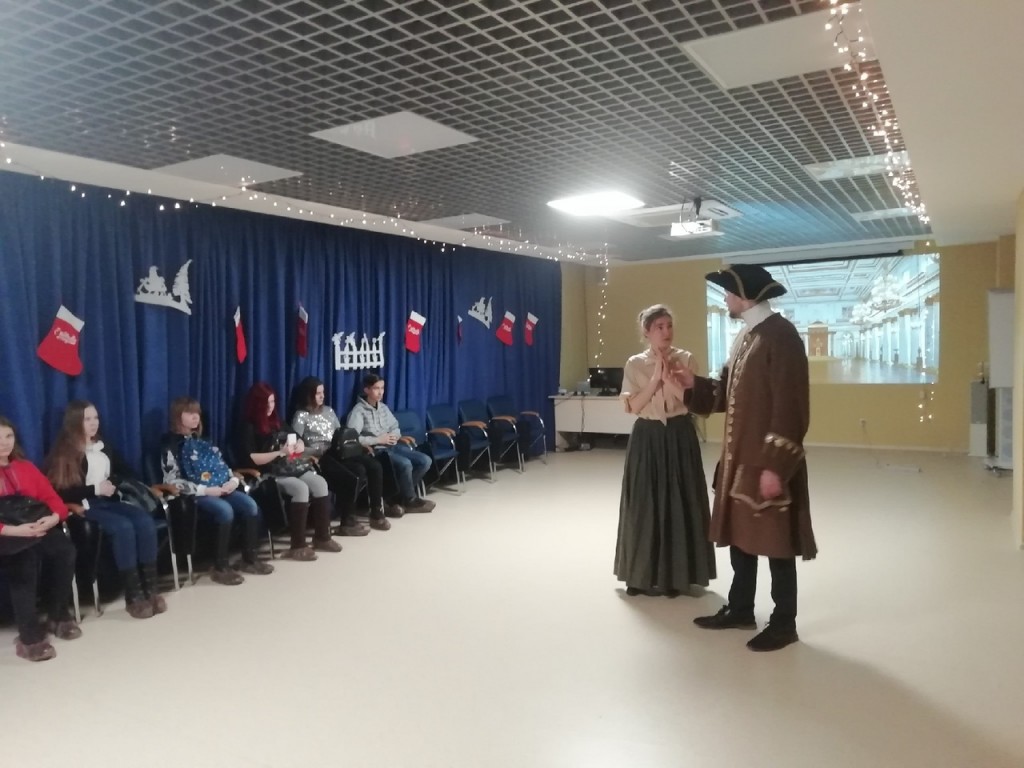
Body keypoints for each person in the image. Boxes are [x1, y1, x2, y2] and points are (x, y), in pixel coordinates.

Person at [677, 265, 817, 652]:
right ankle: (740, 609)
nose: (725, 299)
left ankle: (784, 623)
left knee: (776, 544)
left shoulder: (781, 336)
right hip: (740, 460)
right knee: (742, 539)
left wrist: (776, 467)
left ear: (746, 296)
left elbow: (791, 406)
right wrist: (693, 385)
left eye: (728, 293)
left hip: (765, 463)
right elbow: (727, 393)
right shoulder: (748, 335)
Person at [614, 304, 716, 597]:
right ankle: (639, 575)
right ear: (646, 331)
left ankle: (676, 577)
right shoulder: (634, 364)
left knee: (679, 502)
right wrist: (655, 379)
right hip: (647, 436)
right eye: (659, 326)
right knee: (643, 503)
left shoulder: (686, 359)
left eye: (669, 325)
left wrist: (670, 378)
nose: (666, 331)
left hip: (679, 434)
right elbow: (633, 406)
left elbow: (692, 402)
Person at [46, 400, 166, 619]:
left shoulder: (103, 446)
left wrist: (118, 484)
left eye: (95, 418)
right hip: (85, 506)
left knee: (144, 521)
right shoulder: (65, 452)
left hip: (110, 501)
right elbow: (60, 491)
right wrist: (95, 489)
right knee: (123, 528)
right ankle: (133, 595)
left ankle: (151, 589)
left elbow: (125, 471)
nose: (93, 423)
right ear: (75, 422)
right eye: (87, 419)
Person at [161, 397, 274, 585]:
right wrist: (205, 490)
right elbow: (171, 480)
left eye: (197, 413)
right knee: (225, 510)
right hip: (195, 494)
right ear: (177, 416)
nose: (195, 417)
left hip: (221, 487)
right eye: (189, 413)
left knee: (250, 505)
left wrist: (232, 481)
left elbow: (222, 467)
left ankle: (250, 559)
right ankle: (220, 566)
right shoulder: (170, 445)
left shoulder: (205, 441)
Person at [0, 416, 80, 662]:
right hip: (7, 534)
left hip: (35, 527)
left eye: (8, 436)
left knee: (64, 550)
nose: (4, 443)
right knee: (23, 559)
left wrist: (54, 518)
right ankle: (29, 636)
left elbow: (53, 499)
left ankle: (58, 614)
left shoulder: (26, 468)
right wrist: (12, 531)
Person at [239, 382, 341, 560]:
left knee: (320, 483)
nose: (270, 406)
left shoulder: (277, 422)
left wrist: (299, 446)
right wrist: (280, 453)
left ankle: (322, 537)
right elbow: (252, 458)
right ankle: (298, 545)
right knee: (300, 488)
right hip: (268, 472)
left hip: (289, 466)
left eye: (272, 402)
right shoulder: (248, 427)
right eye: (266, 403)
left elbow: (297, 438)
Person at [290, 376, 391, 532]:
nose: (322, 396)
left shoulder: (329, 411)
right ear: (309, 395)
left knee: (374, 466)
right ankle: (348, 519)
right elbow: (295, 447)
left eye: (323, 392)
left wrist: (357, 445)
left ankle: (376, 512)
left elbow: (341, 433)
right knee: (356, 472)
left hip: (339, 450)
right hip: (321, 456)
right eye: (318, 394)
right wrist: (316, 451)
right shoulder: (301, 416)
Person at [346, 373, 435, 513]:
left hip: (392, 446)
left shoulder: (383, 408)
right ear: (367, 390)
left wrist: (394, 436)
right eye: (376, 388)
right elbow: (353, 438)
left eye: (382, 388)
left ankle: (399, 497)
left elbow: (395, 426)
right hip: (375, 451)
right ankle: (409, 499)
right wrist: (378, 440)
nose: (380, 392)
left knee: (425, 461)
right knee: (405, 464)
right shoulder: (358, 411)